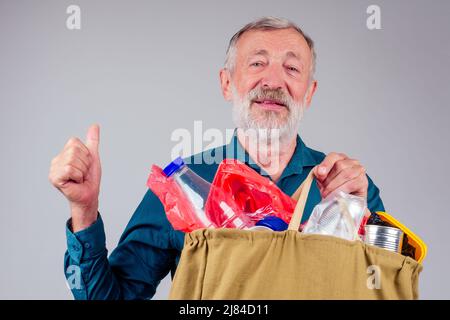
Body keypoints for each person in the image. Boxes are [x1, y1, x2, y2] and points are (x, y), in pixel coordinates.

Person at [48, 17, 384, 300]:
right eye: (257, 63)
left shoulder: (348, 187)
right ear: (227, 83)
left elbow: (386, 289)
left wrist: (360, 220)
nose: (273, 81)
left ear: (309, 93)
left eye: (292, 68)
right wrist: (84, 211)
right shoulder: (181, 185)